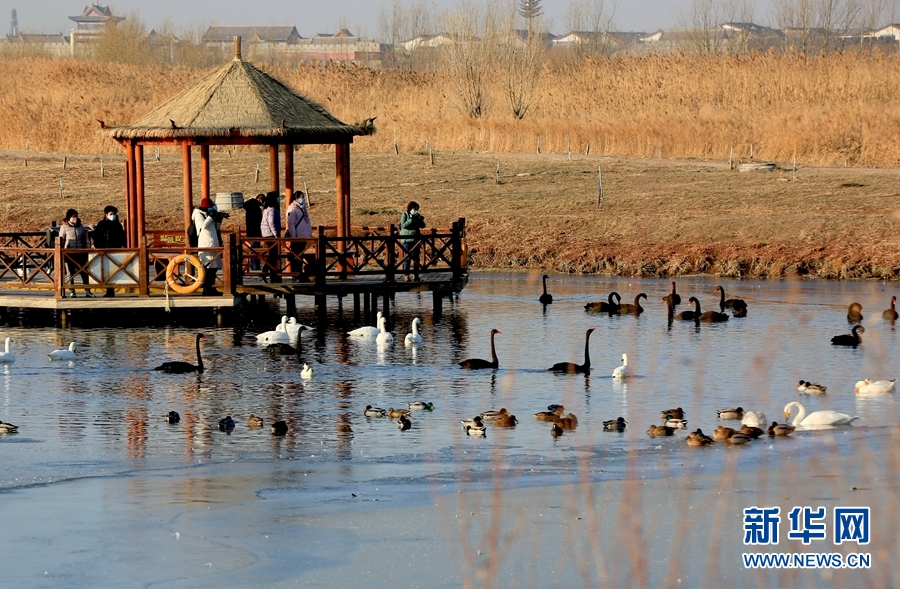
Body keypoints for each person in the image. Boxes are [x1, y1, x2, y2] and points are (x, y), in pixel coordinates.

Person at [91, 205, 126, 297]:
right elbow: (97, 237)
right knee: (105, 271)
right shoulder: (101, 224)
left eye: (114, 214)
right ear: (106, 214)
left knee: (113, 271)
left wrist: (119, 246)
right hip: (104, 250)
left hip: (114, 251)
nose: (113, 215)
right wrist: (99, 247)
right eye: (111, 214)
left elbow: (121, 237)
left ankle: (111, 290)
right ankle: (108, 289)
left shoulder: (117, 225)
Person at [58, 208, 93, 298]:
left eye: (76, 217)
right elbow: (61, 240)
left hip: (80, 253)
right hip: (69, 253)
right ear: (68, 218)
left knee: (84, 272)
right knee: (70, 273)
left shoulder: (80, 227)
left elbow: (84, 239)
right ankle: (72, 291)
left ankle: (88, 291)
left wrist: (86, 250)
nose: (75, 219)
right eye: (73, 217)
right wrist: (63, 250)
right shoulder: (64, 227)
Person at [195, 198, 222, 296]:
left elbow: (215, 228)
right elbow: (203, 226)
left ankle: (211, 288)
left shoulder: (207, 215)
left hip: (213, 243)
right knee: (207, 268)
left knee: (214, 268)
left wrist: (219, 220)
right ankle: (207, 289)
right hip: (205, 245)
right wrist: (211, 216)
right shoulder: (198, 214)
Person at [285, 190, 312, 281]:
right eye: (301, 197)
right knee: (296, 256)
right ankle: (296, 274)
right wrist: (294, 236)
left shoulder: (302, 208)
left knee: (300, 255)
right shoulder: (292, 209)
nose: (303, 199)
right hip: (297, 236)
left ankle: (299, 274)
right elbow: (291, 224)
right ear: (296, 198)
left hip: (303, 235)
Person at [399, 201, 426, 281]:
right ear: (410, 208)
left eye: (417, 209)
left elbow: (422, 226)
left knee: (416, 258)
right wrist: (411, 219)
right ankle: (406, 275)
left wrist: (420, 220)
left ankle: (416, 275)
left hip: (416, 239)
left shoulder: (417, 215)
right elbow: (403, 225)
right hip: (407, 239)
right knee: (407, 258)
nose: (416, 211)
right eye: (415, 209)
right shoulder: (404, 215)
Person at [260, 191, 282, 283]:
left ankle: (271, 274)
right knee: (273, 255)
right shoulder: (272, 209)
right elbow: (271, 222)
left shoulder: (266, 208)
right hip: (270, 234)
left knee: (273, 255)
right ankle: (265, 273)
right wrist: (276, 234)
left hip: (266, 233)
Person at [243, 193, 264, 271]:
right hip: (256, 231)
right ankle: (255, 266)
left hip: (251, 231)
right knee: (255, 249)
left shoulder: (249, 207)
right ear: (259, 199)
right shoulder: (256, 208)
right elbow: (258, 220)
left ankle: (253, 265)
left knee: (253, 249)